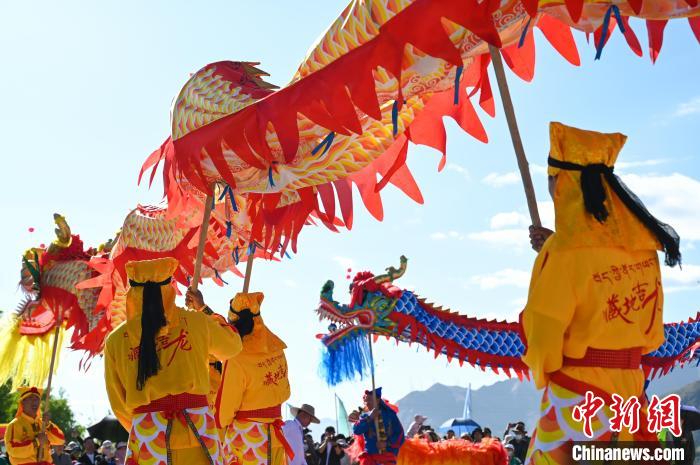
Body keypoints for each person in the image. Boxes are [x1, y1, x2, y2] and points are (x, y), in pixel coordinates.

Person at [523, 123, 681, 464]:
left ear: (565, 183)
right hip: (630, 392)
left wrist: (544, 368)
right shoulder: (643, 247)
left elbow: (543, 326)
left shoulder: (563, 251)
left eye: (552, 179)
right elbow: (652, 330)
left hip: (578, 394)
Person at [104, 258, 243, 465]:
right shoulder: (197, 321)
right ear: (170, 288)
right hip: (199, 431)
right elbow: (232, 345)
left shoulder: (115, 340)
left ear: (132, 293)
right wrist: (203, 309)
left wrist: (145, 423)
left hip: (148, 437)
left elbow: (118, 404)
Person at [204, 290, 293, 465]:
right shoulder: (276, 349)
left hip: (247, 440)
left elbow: (223, 413)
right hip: (275, 438)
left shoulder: (236, 357)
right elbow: (286, 390)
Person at [3, 387, 65, 465]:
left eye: (37, 399)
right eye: (31, 398)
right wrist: (36, 442)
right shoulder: (15, 424)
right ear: (22, 402)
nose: (35, 401)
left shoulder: (44, 423)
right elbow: (13, 450)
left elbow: (60, 440)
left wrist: (48, 425)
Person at [348, 388, 404, 465]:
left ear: (377, 400)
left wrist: (386, 443)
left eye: (370, 400)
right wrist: (370, 417)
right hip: (370, 461)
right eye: (366, 400)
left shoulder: (390, 415)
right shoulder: (365, 416)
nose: (367, 403)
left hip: (387, 459)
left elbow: (400, 435)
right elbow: (357, 430)